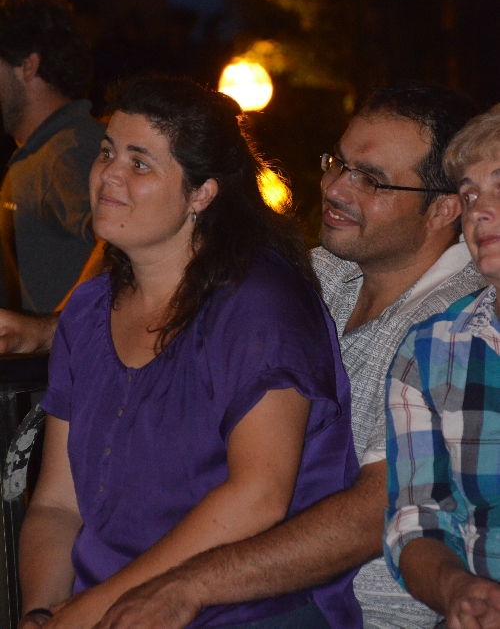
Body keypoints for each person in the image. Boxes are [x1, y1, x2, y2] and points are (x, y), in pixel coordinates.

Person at [94, 82, 486, 629]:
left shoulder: (462, 323)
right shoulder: (325, 271)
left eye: (370, 179)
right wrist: (46, 332)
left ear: (442, 209)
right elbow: (182, 306)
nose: (335, 187)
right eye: (338, 163)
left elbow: (374, 510)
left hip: (366, 614)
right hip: (254, 591)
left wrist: (185, 586)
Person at [19, 75, 361, 629]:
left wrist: (91, 610)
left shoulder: (259, 306)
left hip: (242, 610)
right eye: (107, 152)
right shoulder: (86, 312)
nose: (109, 175)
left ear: (202, 194)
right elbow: (57, 504)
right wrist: (41, 609)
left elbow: (257, 497)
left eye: (140, 163)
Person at [385, 105, 500, 629]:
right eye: (470, 195)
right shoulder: (432, 350)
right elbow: (417, 518)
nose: (479, 212)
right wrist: (458, 589)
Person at [0, 0, 103, 314]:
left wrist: (54, 329)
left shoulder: (70, 151)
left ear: (27, 66)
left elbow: (128, 243)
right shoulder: (41, 153)